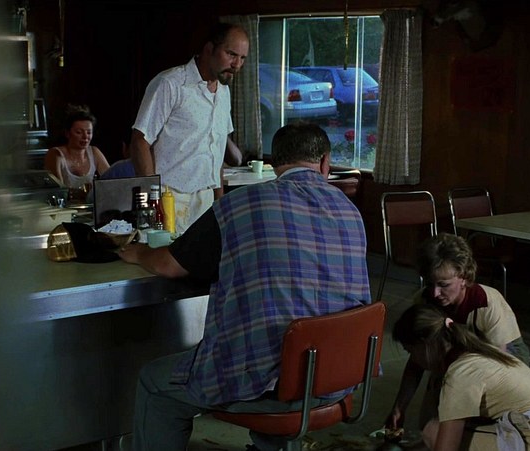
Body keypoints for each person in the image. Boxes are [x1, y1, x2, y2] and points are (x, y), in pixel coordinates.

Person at [117, 123, 371, 451]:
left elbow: (168, 265)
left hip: (269, 383)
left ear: (274, 163)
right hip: (339, 374)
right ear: (325, 163)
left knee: (155, 384)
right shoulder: (350, 211)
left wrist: (138, 252)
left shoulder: (239, 205)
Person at [386, 233, 530, 435]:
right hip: (455, 356)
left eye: (444, 285)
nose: (435, 293)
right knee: (428, 423)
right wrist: (399, 407)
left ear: (464, 277)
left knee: (476, 418)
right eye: (430, 284)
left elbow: (497, 369)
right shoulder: (426, 300)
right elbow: (417, 359)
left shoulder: (486, 302)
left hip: (501, 357)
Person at [392, 303, 530, 451]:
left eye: (411, 351)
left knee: (433, 431)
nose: (413, 359)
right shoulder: (483, 353)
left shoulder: (461, 373)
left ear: (424, 344)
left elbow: (446, 447)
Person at [129, 22, 249, 234]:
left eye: (242, 58)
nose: (237, 64)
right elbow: (140, 140)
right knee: (164, 255)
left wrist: (219, 203)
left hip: (205, 200)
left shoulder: (224, 92)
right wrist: (153, 201)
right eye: (231, 54)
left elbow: (216, 151)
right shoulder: (171, 83)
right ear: (209, 49)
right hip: (170, 197)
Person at [44, 104, 110, 190]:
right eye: (79, 132)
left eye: (89, 132)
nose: (85, 137)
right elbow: (58, 190)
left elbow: (111, 179)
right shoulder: (56, 154)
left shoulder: (94, 152)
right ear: (67, 133)